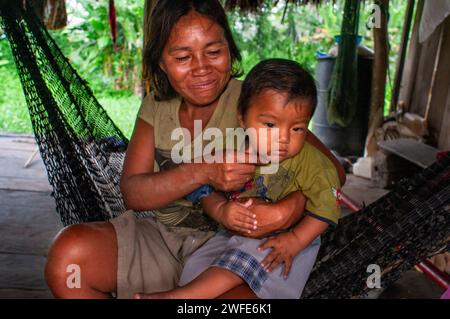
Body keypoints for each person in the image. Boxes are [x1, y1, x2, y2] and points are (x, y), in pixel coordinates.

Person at [44, 0, 345, 299]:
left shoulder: (259, 104)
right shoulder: (156, 108)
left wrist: (286, 210)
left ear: (229, 49)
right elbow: (133, 193)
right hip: (163, 241)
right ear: (161, 61)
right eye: (183, 57)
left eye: (214, 52)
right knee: (68, 261)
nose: (202, 69)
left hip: (234, 251)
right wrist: (206, 171)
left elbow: (332, 173)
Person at [136, 58, 341, 299]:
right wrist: (222, 209)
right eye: (270, 125)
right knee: (198, 268)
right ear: (242, 119)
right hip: (229, 236)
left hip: (282, 242)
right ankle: (188, 293)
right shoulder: (231, 153)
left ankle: (176, 298)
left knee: (243, 259)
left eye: (297, 128)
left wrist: (294, 240)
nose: (283, 138)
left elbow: (328, 205)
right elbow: (203, 190)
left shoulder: (311, 162)